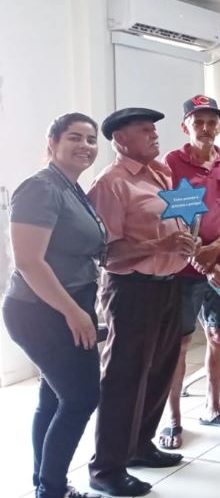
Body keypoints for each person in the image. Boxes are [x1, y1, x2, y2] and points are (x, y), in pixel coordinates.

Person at [87, 108, 195, 497]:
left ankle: (139, 445)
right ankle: (106, 468)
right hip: (131, 289)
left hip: (167, 285)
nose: (154, 135)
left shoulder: (160, 174)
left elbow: (174, 222)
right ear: (120, 139)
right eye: (145, 130)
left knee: (160, 371)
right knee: (125, 378)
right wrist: (161, 244)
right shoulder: (110, 184)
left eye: (154, 129)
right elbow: (107, 253)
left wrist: (184, 242)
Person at [3, 113, 106, 498]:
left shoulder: (71, 187)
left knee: (54, 396)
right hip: (42, 309)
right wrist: (73, 313)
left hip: (68, 303)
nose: (85, 146)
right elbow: (29, 262)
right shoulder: (41, 188)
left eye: (91, 139)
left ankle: (46, 485)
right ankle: (52, 488)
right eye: (74, 138)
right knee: (81, 397)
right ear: (52, 142)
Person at [160, 95, 220, 449]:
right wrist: (202, 258)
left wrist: (216, 250)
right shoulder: (171, 162)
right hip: (184, 268)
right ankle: (173, 419)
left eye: (212, 121)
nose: (206, 128)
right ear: (185, 127)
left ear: (219, 126)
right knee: (179, 342)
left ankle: (213, 407)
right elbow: (170, 217)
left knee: (219, 335)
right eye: (198, 122)